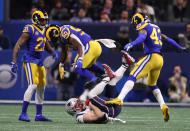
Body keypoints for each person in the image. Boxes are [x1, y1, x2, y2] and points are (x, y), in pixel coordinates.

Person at [105, 13, 186, 122]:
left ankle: (119, 99)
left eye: (136, 24)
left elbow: (142, 37)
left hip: (151, 57)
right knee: (152, 84)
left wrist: (131, 44)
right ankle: (163, 106)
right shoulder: (156, 27)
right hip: (160, 59)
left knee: (132, 76)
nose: (136, 26)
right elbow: (168, 40)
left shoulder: (144, 28)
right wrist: (179, 47)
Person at [11, 10, 58, 122]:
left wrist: (52, 52)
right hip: (30, 60)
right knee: (33, 85)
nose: (44, 22)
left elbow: (45, 43)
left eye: (45, 20)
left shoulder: (43, 29)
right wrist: (14, 61)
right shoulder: (30, 29)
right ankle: (23, 113)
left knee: (42, 87)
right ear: (36, 20)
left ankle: (38, 115)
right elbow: (18, 44)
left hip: (39, 61)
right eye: (42, 20)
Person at [65, 51, 135, 123]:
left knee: (112, 82)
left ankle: (125, 64)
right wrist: (89, 104)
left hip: (111, 105)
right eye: (78, 104)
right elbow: (99, 115)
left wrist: (88, 89)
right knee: (91, 95)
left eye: (78, 101)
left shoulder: (82, 108)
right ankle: (107, 77)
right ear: (74, 110)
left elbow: (86, 95)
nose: (81, 103)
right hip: (111, 111)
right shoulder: (80, 117)